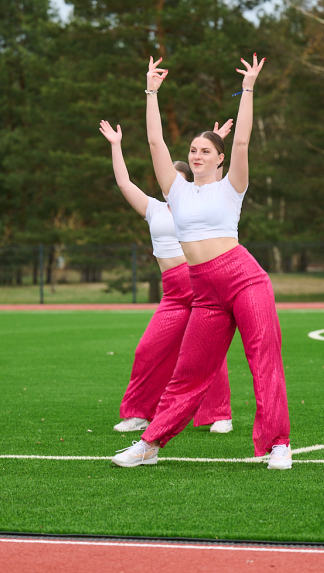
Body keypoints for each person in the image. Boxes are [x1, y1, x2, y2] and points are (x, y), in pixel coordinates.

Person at [112, 54, 292, 469]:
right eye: (193, 149)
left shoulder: (232, 187)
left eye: (205, 150)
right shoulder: (175, 191)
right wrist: (151, 91)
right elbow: (156, 143)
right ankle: (150, 444)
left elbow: (243, 140)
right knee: (189, 372)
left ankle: (278, 444)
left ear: (219, 159)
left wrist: (248, 90)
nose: (196, 155)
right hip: (205, 290)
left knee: (263, 357)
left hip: (245, 279)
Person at [99, 118, 233, 435]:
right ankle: (138, 413)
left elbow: (216, 181)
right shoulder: (154, 209)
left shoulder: (201, 203)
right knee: (148, 350)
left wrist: (217, 143)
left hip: (202, 285)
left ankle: (220, 415)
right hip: (173, 291)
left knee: (207, 352)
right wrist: (117, 147)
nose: (168, 184)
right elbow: (124, 184)